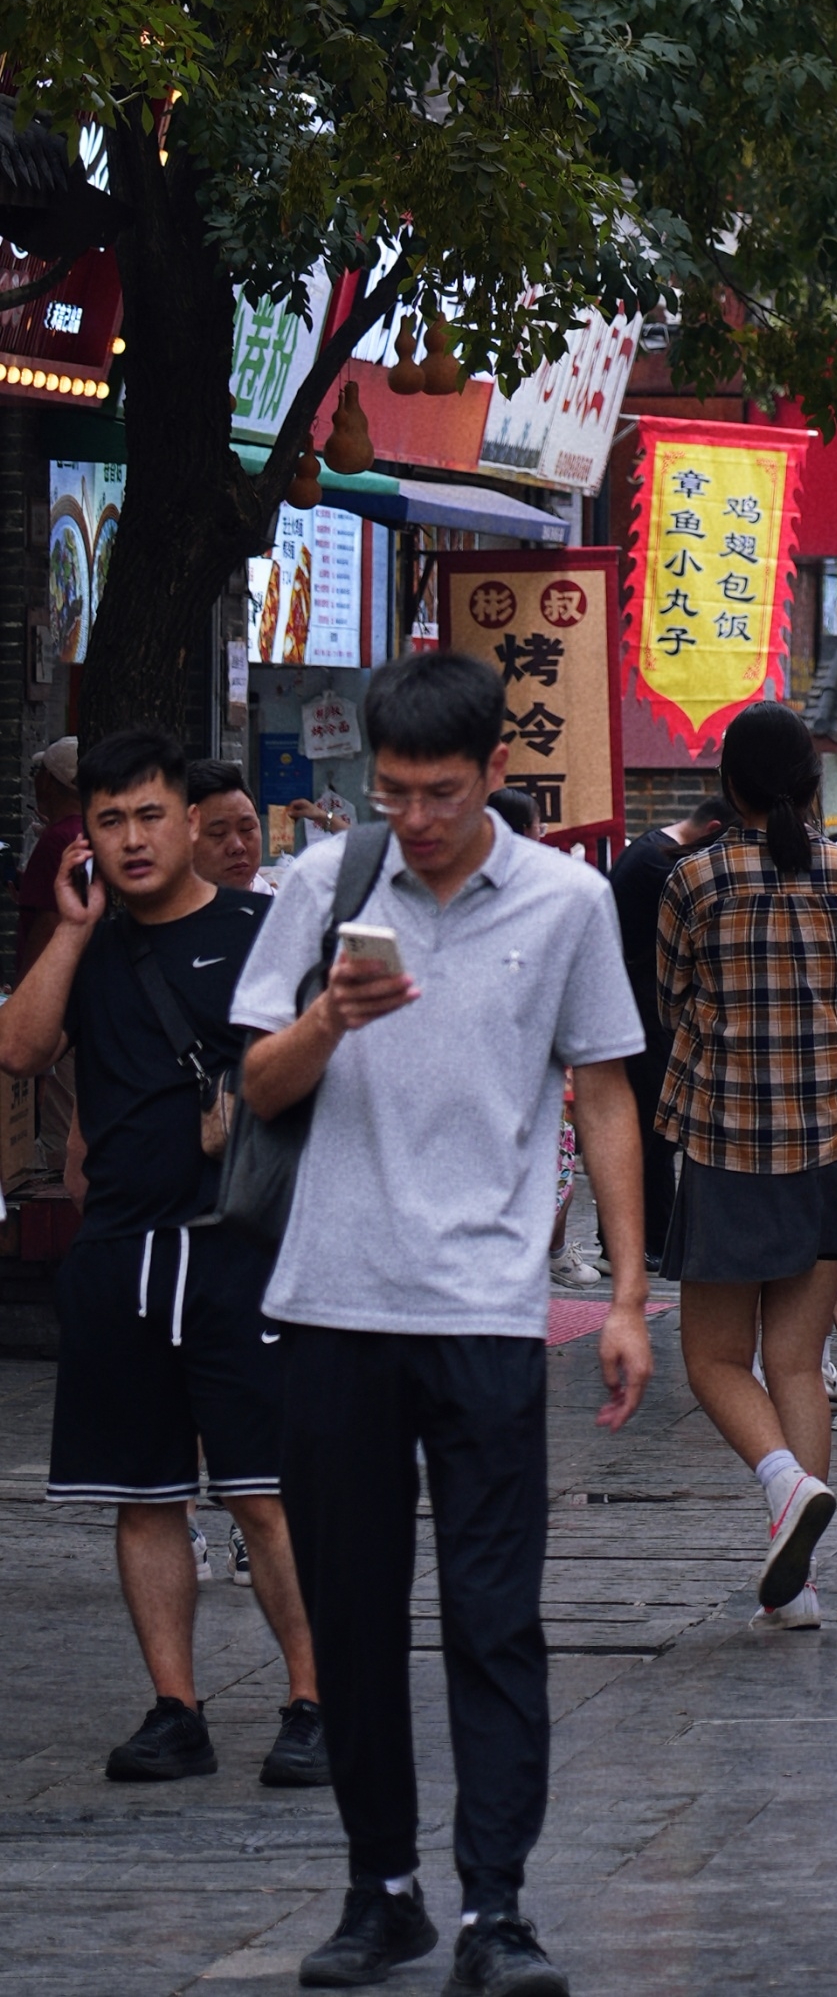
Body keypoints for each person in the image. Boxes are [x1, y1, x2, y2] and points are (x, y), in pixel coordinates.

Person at [233, 651, 651, 1997]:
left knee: (491, 1618)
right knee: (352, 1618)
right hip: (332, 1302)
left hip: (483, 1313)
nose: (409, 816)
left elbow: (602, 1096)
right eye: (391, 790)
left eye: (438, 792)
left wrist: (630, 1295)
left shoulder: (569, 898)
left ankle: (499, 1911)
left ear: (494, 778)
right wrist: (330, 1018)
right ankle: (382, 1890)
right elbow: (256, 1081)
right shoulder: (323, 885)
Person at [0, 728, 326, 1792]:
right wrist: (70, 928)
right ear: (84, 834)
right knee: (143, 1493)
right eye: (109, 821)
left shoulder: (265, 928)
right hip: (122, 1254)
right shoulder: (87, 941)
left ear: (191, 821)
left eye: (150, 815)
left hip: (242, 1252)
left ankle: (314, 1700)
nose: (133, 839)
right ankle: (174, 1706)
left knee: (265, 1492)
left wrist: (254, 1118)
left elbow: (331, 1071)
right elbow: (20, 1047)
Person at [655, 700, 837, 1636]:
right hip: (834, 1138)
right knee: (797, 1359)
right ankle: (798, 1588)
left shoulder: (693, 880)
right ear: (809, 785)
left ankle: (783, 1487)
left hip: (725, 1142)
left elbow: (673, 1000)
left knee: (714, 1356)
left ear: (727, 786)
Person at [605, 780, 731, 1269]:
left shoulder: (651, 849)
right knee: (655, 1134)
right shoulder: (663, 868)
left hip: (638, 1010)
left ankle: (632, 1239)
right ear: (715, 830)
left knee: (648, 1131)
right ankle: (651, 1241)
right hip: (641, 1014)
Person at [14, 732, 82, 972]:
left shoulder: (55, 841)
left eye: (38, 772)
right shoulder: (85, 832)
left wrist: (25, 995)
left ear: (47, 781)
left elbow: (48, 924)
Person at [186, 760, 273, 895]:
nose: (237, 847)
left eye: (247, 828)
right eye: (218, 833)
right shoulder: (157, 913)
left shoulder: (287, 912)